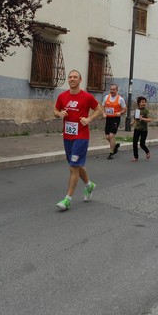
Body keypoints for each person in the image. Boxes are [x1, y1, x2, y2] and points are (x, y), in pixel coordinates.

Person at [54, 70, 103, 211]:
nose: (72, 79)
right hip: (67, 135)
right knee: (76, 164)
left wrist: (89, 119)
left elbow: (99, 110)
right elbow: (55, 111)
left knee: (73, 167)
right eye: (70, 77)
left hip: (81, 136)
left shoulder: (87, 97)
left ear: (80, 80)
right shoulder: (62, 96)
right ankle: (89, 185)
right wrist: (59, 114)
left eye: (75, 77)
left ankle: (67, 200)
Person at [102, 84, 127, 160]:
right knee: (107, 137)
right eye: (111, 89)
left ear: (117, 90)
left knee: (111, 136)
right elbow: (102, 106)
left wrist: (120, 113)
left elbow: (125, 109)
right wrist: (103, 113)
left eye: (113, 90)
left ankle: (111, 153)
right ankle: (115, 146)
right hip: (108, 119)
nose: (112, 91)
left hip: (116, 119)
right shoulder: (106, 97)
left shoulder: (120, 99)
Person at [131, 96, 152, 162]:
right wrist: (132, 122)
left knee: (142, 144)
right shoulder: (137, 110)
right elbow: (135, 118)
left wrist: (143, 119)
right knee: (134, 143)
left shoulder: (146, 111)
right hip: (137, 129)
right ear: (139, 103)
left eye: (144, 102)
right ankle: (136, 157)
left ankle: (147, 151)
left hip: (144, 130)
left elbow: (150, 119)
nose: (143, 103)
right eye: (142, 102)